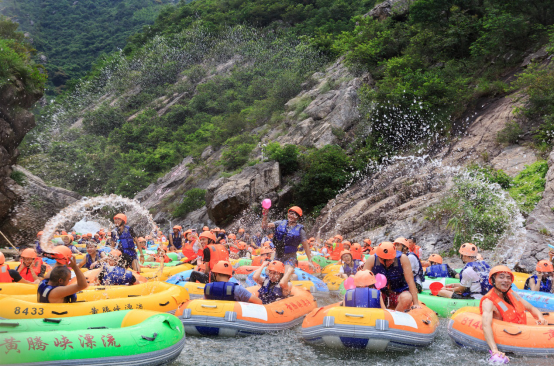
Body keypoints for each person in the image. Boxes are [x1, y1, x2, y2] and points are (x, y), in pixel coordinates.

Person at [481, 265, 548, 360]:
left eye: (508, 278)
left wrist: (540, 318)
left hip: (521, 335)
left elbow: (531, 308)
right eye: (501, 277)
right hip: (507, 340)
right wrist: (494, 349)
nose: (506, 280)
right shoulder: (488, 302)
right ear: (493, 280)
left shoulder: (512, 294)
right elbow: (486, 325)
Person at [363, 241, 421, 312]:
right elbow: (364, 282)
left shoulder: (402, 259)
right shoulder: (372, 259)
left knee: (407, 298)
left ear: (394, 256)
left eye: (389, 260)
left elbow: (410, 281)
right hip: (381, 293)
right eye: (382, 260)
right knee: (372, 293)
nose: (386, 262)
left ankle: (396, 317)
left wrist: (416, 303)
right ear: (378, 256)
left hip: (398, 292)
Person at [261, 206, 314, 273]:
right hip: (278, 255)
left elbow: (306, 246)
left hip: (290, 257)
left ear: (298, 217)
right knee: (269, 273)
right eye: (290, 213)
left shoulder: (300, 231)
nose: (291, 216)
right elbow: (264, 226)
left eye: (294, 215)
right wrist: (265, 215)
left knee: (286, 274)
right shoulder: (280, 223)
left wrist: (309, 260)